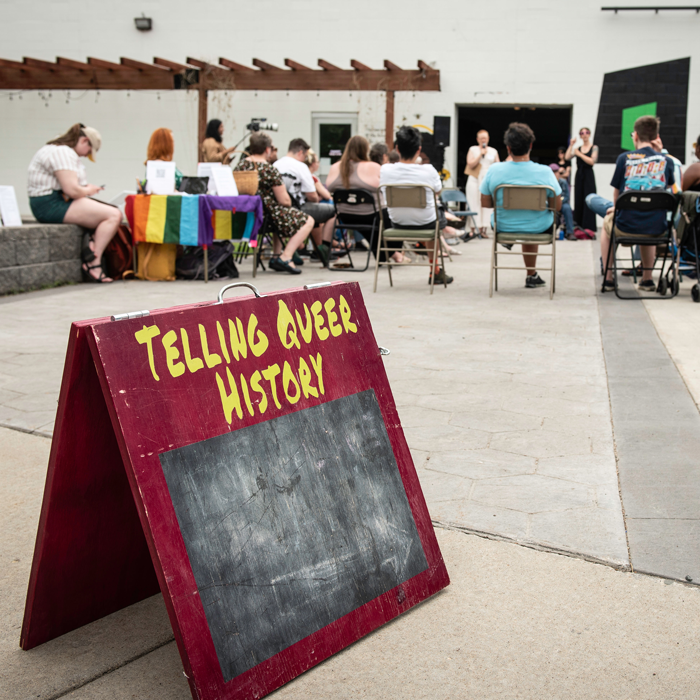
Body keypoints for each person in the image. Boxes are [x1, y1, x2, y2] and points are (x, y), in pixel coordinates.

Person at [588, 115, 675, 293]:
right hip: (657, 228)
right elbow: (668, 190)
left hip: (626, 225)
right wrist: (660, 152)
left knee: (606, 225)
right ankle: (647, 279)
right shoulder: (667, 161)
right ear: (656, 136)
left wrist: (616, 207)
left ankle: (609, 278)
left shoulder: (624, 158)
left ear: (635, 135)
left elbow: (616, 194)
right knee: (649, 217)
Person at [27, 123, 120, 283]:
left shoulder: (55, 149)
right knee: (113, 214)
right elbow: (72, 190)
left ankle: (91, 245)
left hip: (51, 201)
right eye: (89, 151)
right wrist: (89, 190)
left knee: (108, 211)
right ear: (84, 141)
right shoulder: (62, 152)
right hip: (51, 203)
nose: (86, 155)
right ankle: (93, 263)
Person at [480, 123, 562, 289]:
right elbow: (556, 206)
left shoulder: (494, 170)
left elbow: (486, 203)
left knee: (524, 219)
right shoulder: (545, 172)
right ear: (530, 146)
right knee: (536, 219)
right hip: (538, 227)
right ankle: (531, 275)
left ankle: (527, 267)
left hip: (503, 226)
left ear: (508, 148)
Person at [379, 126, 453, 285]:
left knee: (435, 215)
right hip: (425, 223)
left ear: (397, 149)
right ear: (419, 150)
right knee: (437, 215)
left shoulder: (385, 170)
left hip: (397, 223)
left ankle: (436, 270)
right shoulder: (429, 170)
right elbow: (437, 192)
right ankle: (435, 270)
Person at [234, 132, 314, 274]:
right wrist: (289, 203)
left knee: (280, 214)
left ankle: (276, 256)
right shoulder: (269, 169)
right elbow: (284, 200)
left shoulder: (240, 166)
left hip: (246, 214)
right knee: (308, 220)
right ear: (267, 149)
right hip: (267, 215)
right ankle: (286, 256)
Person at [274, 138, 336, 263]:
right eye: (305, 156)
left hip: (277, 210)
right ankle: (323, 247)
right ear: (300, 152)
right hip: (298, 209)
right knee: (333, 210)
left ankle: (288, 251)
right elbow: (312, 196)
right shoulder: (301, 166)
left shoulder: (276, 165)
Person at [465, 130, 500, 239]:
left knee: (485, 203)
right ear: (477, 139)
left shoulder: (493, 151)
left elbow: (498, 166)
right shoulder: (473, 149)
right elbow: (470, 164)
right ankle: (472, 229)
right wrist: (480, 154)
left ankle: (483, 229)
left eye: (485, 138)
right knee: (473, 202)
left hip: (486, 179)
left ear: (488, 138)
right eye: (481, 138)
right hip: (475, 178)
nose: (483, 140)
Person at [565, 127, 598, 233]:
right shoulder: (577, 148)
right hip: (579, 175)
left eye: (587, 132)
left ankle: (589, 226)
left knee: (590, 199)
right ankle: (578, 225)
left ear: (590, 134)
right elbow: (567, 157)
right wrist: (571, 145)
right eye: (582, 133)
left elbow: (592, 161)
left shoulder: (594, 147)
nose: (584, 134)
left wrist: (579, 154)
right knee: (579, 199)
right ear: (580, 135)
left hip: (588, 175)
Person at [550, 164, 575, 240]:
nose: (555, 174)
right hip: (550, 203)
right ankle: (549, 233)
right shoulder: (547, 182)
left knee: (567, 208)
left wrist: (559, 201)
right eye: (552, 172)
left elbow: (567, 196)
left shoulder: (563, 182)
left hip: (562, 203)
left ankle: (570, 232)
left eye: (556, 172)